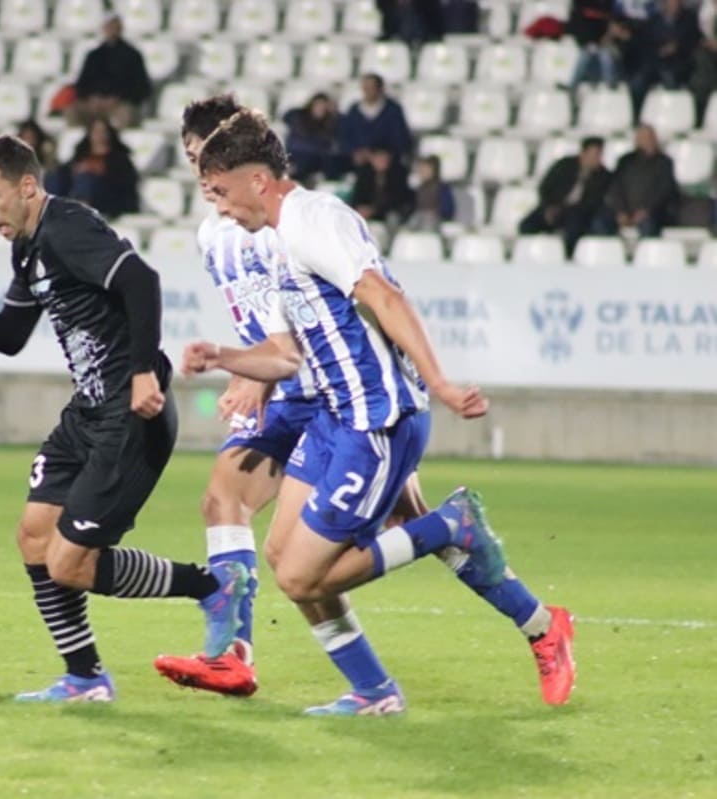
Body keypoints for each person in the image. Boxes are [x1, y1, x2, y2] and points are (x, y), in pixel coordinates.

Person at [187, 109, 576, 714]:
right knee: (284, 557)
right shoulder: (278, 238)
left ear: (258, 179)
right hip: (333, 418)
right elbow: (289, 352)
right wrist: (225, 359)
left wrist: (441, 382)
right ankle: (375, 691)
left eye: (224, 192)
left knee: (302, 575)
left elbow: (384, 296)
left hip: (376, 421)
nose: (224, 209)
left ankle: (451, 528)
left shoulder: (314, 221)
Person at [0, 134, 249, 703]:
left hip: (129, 417)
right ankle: (85, 678)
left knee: (70, 564)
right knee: (32, 538)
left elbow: (141, 280)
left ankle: (212, 586)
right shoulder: (26, 248)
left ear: (27, 186)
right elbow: (10, 337)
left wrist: (144, 370)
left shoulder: (68, 226)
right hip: (88, 413)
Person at [520, 137, 611, 255]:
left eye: (598, 155)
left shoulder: (603, 176)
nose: (596, 159)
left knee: (574, 226)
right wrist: (549, 206)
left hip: (577, 213)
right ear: (583, 154)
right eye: (593, 155)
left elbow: (593, 202)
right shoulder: (564, 165)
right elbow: (545, 187)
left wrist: (567, 210)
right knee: (527, 225)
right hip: (553, 207)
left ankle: (567, 256)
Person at [69, 13, 153, 129]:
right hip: (94, 105)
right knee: (72, 111)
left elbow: (142, 88)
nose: (112, 29)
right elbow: (82, 84)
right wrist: (92, 98)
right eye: (109, 26)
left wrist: (117, 99)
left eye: (115, 26)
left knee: (125, 115)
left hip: (119, 105)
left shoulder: (133, 55)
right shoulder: (94, 56)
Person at [44, 119, 140, 219]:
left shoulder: (120, 158)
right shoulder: (82, 154)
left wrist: (95, 171)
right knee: (53, 177)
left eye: (103, 132)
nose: (99, 135)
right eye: (96, 132)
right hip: (74, 193)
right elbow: (66, 171)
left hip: (108, 198)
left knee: (86, 178)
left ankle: (80, 214)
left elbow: (124, 182)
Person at [600, 123, 678, 237]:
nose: (644, 140)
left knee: (648, 226)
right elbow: (616, 187)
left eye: (647, 137)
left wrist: (646, 210)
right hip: (625, 210)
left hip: (652, 211)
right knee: (601, 223)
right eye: (640, 137)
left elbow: (664, 190)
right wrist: (620, 211)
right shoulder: (625, 161)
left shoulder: (664, 162)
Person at [340, 74, 413, 171]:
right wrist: (355, 152)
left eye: (371, 88)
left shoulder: (393, 110)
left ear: (380, 89)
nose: (368, 91)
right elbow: (345, 138)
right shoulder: (354, 110)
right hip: (358, 161)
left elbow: (401, 138)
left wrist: (383, 154)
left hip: (386, 162)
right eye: (365, 88)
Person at [281, 92, 348, 183]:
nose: (320, 108)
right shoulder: (298, 116)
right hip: (298, 154)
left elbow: (344, 124)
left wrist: (335, 112)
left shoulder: (329, 123)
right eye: (318, 105)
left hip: (316, 158)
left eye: (323, 106)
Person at [350, 146, 415, 227]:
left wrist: (374, 210)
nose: (381, 161)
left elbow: (398, 198)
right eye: (378, 158)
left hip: (388, 213)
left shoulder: (398, 174)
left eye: (384, 158)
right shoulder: (364, 174)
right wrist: (360, 208)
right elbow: (358, 195)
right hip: (367, 214)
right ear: (371, 159)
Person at [407, 154, 455, 232]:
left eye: (426, 168)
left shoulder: (442, 188)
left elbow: (447, 211)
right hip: (419, 220)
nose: (422, 171)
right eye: (421, 168)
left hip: (435, 222)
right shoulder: (419, 188)